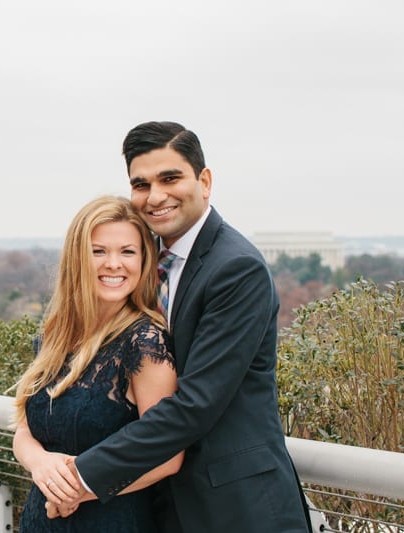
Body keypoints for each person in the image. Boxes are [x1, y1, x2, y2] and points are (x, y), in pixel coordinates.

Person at [63, 121, 311, 532]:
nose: (155, 196)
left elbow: (196, 403)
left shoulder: (236, 269)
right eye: (141, 184)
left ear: (205, 181)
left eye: (170, 178)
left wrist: (81, 477)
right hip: (158, 504)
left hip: (236, 508)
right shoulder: (140, 262)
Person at [12, 195, 184, 532]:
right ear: (77, 258)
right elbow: (24, 430)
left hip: (110, 520)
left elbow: (168, 455)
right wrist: (41, 464)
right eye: (99, 251)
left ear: (144, 260)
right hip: (41, 519)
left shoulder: (145, 343)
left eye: (127, 251)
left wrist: (75, 490)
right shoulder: (54, 337)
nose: (114, 264)